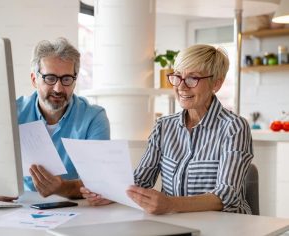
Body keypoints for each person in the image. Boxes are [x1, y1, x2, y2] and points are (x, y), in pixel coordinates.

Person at [81, 44, 254, 214]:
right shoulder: (164, 126)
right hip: (175, 224)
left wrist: (171, 204)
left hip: (225, 227)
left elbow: (227, 195)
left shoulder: (234, 127)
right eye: (177, 76)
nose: (181, 86)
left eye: (193, 78)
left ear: (216, 84)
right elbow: (142, 179)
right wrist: (111, 194)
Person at [15, 37, 110, 199]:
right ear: (34, 80)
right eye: (50, 78)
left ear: (74, 81)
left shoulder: (94, 118)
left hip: (77, 209)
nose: (58, 88)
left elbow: (101, 181)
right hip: (20, 206)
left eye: (66, 79)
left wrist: (63, 188)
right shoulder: (13, 113)